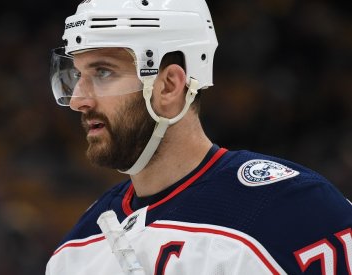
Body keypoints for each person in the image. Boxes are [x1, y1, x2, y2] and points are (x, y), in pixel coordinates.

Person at [46, 0, 352, 274]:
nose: (79, 100)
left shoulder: (293, 211)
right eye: (77, 75)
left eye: (103, 73)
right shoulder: (77, 248)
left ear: (168, 86)